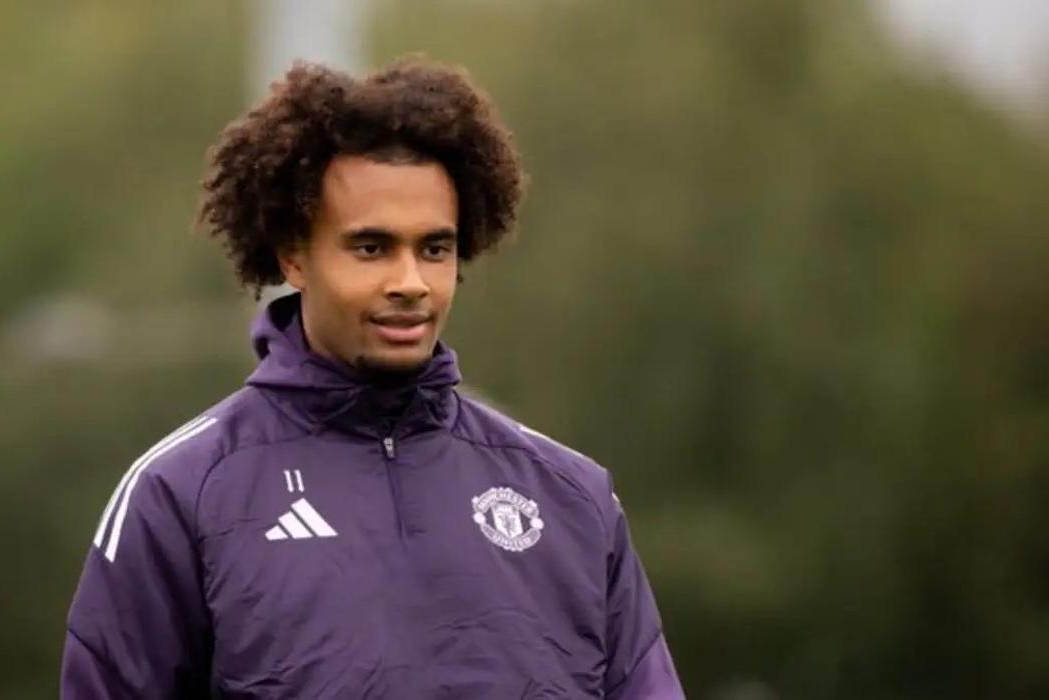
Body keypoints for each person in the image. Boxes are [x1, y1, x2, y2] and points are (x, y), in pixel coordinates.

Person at [61, 57, 685, 699]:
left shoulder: (572, 498)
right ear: (294, 255)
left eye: (434, 249)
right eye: (371, 248)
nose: (410, 283)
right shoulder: (182, 494)